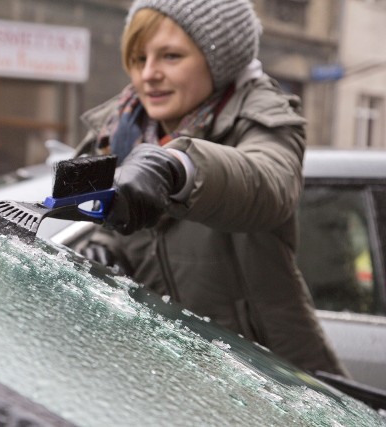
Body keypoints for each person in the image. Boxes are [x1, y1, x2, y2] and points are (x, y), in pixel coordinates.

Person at [75, 0, 347, 376]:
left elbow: (270, 184)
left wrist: (178, 165)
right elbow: (123, 233)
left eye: (170, 56)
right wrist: (104, 248)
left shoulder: (263, 117)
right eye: (138, 59)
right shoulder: (117, 131)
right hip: (168, 372)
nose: (148, 74)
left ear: (220, 58)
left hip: (273, 381)